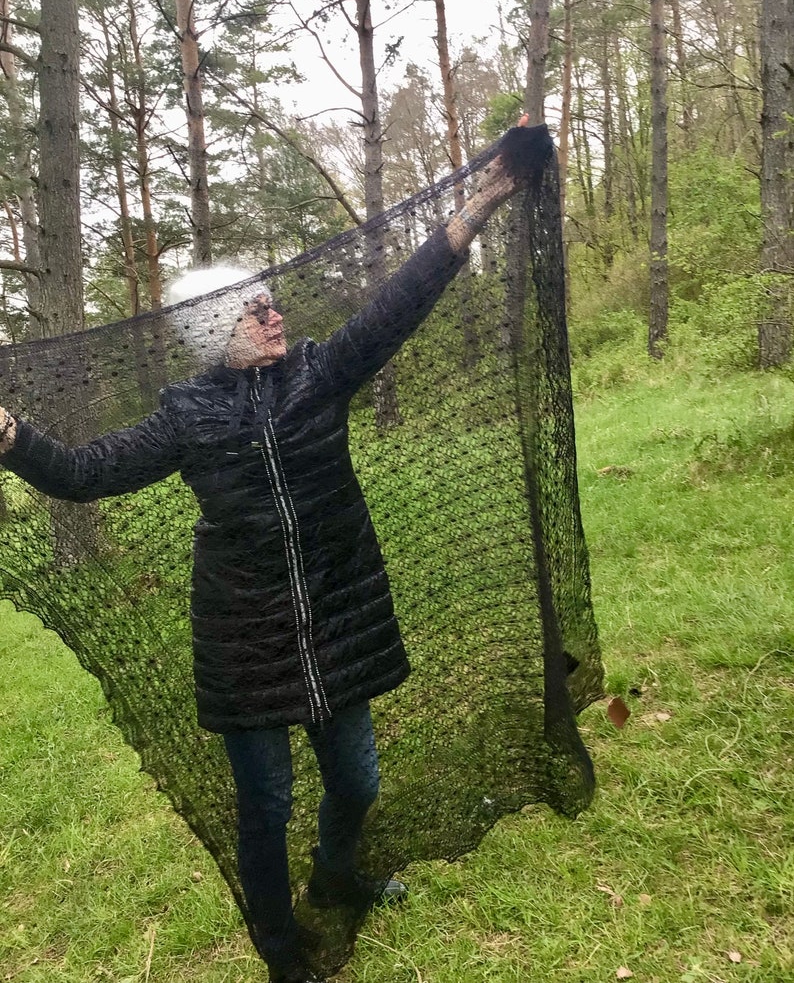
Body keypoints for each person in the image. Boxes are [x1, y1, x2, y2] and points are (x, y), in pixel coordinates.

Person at [0, 120, 548, 983]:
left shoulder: (318, 374)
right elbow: (81, 472)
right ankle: (281, 948)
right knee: (265, 806)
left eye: (270, 302)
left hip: (335, 619)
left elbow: (398, 303)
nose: (274, 312)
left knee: (358, 782)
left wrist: (482, 201)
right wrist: (8, 433)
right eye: (256, 308)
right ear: (218, 329)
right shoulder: (187, 415)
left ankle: (337, 873)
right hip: (244, 639)